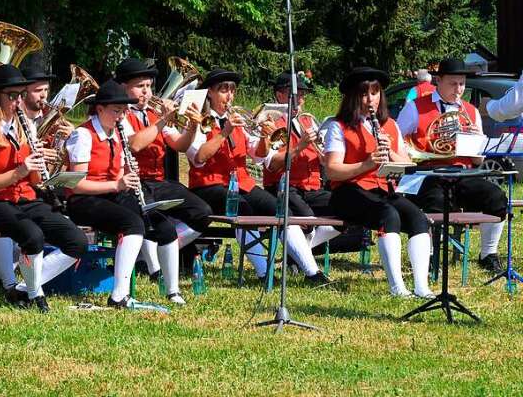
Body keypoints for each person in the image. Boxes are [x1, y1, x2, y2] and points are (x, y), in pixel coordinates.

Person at [179, 68, 328, 285]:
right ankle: (264, 273)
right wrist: (224, 133)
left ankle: (312, 272)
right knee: (244, 211)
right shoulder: (200, 121)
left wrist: (265, 137)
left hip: (243, 183)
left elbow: (260, 156)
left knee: (281, 210)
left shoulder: (238, 122)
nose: (229, 96)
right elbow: (199, 157)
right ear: (210, 92)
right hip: (208, 186)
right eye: (223, 90)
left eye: (232, 90)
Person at [0, 64, 88, 311]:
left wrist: (41, 164)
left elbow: (34, 182)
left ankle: (22, 289)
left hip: (23, 197)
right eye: (12, 96)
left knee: (76, 241)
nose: (18, 101)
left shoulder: (26, 127)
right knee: (33, 236)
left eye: (21, 95)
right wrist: (18, 172)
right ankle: (35, 295)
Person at [66, 79, 188, 306]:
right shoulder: (82, 135)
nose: (121, 117)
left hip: (112, 194)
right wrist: (118, 184)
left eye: (123, 111)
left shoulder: (117, 132)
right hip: (83, 200)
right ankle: (119, 294)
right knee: (132, 224)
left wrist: (129, 174)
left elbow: (118, 174)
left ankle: (172, 290)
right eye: (116, 111)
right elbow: (76, 185)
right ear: (99, 109)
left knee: (163, 225)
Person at [324, 67, 433, 298]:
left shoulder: (390, 125)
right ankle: (397, 287)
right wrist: (365, 164)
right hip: (347, 191)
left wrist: (389, 151)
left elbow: (406, 164)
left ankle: (422, 287)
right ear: (353, 97)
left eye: (375, 92)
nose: (370, 99)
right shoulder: (338, 125)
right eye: (364, 94)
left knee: (418, 218)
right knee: (388, 215)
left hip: (382, 189)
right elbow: (332, 171)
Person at [396, 57, 508, 274]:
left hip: (463, 173)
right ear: (438, 81)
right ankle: (427, 257)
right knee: (434, 203)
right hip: (428, 172)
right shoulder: (415, 107)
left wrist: (476, 144)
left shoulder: (470, 111)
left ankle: (488, 254)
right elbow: (397, 141)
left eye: (462, 84)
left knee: (497, 197)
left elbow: (478, 160)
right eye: (453, 83)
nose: (459, 90)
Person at [115, 57, 213, 284]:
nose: (147, 92)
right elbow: (136, 143)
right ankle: (155, 269)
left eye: (149, 86)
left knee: (203, 212)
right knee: (153, 216)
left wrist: (192, 125)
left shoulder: (152, 114)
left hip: (158, 181)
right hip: (132, 182)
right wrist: (161, 120)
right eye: (140, 86)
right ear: (123, 87)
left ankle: (161, 253)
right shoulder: (120, 114)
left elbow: (180, 145)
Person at [256, 72, 340, 251]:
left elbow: (324, 159)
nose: (300, 100)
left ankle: (300, 254)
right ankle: (299, 257)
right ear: (279, 95)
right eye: (294, 95)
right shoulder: (272, 121)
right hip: (283, 187)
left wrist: (326, 155)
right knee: (307, 219)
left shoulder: (308, 120)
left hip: (311, 188)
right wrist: (300, 145)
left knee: (346, 205)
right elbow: (273, 164)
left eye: (302, 95)